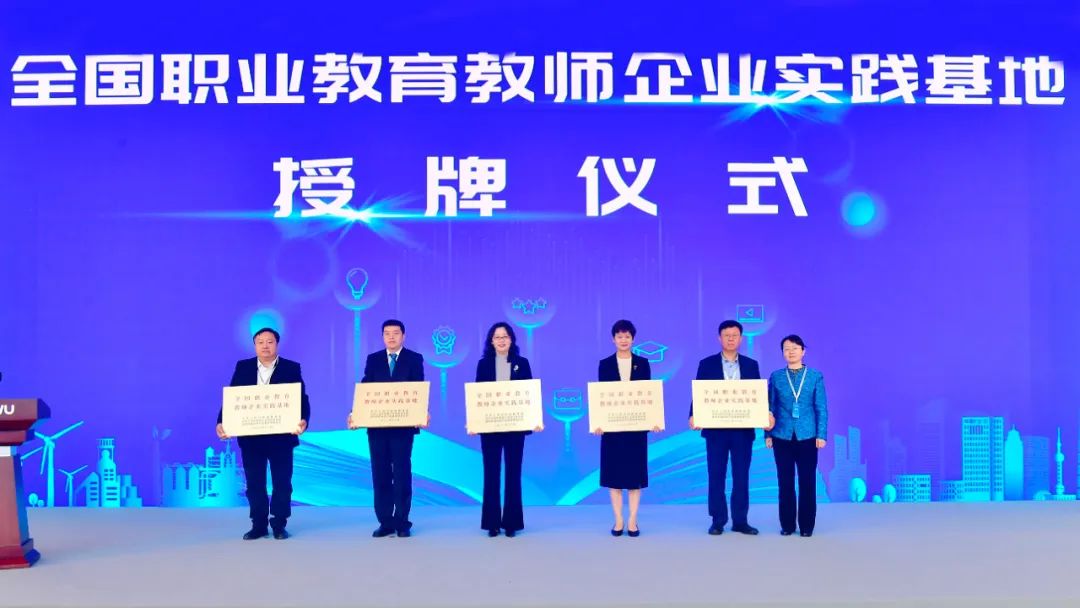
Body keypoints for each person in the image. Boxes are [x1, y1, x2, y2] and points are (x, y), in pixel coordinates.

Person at [216, 327, 310, 540]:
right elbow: (233, 398)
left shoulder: (291, 367)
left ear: (277, 344)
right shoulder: (243, 367)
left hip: (281, 438)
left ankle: (279, 524)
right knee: (254, 483)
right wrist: (222, 422)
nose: (265, 346)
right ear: (255, 345)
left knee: (282, 483)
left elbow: (301, 398)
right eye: (260, 342)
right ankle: (258, 525)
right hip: (252, 438)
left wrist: (303, 419)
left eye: (269, 342)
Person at [690, 320, 773, 536]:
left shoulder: (751, 364)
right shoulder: (706, 364)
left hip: (742, 431)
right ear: (719, 338)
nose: (730, 339)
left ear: (741, 338)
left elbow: (757, 395)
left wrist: (765, 414)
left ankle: (740, 521)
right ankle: (718, 520)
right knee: (716, 475)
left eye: (734, 335)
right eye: (726, 335)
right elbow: (699, 393)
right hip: (716, 430)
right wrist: (693, 415)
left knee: (741, 476)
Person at [348, 319, 428, 538]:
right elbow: (366, 388)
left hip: (403, 427)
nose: (391, 337)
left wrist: (422, 412)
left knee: (401, 474)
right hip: (378, 428)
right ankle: (385, 521)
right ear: (383, 336)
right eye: (387, 333)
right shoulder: (373, 359)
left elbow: (418, 389)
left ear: (403, 336)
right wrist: (355, 414)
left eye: (395, 333)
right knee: (380, 473)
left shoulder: (414, 359)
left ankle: (402, 522)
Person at [471, 322, 542, 537]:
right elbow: (478, 397)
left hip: (515, 428)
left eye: (505, 336)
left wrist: (535, 419)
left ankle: (511, 523)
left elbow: (529, 395)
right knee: (491, 474)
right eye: (497, 337)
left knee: (513, 473)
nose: (501, 340)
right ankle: (492, 523)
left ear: (511, 340)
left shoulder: (522, 363)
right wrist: (474, 422)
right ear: (491, 341)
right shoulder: (483, 364)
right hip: (490, 428)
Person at [593, 319, 656, 538]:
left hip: (636, 429)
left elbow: (648, 395)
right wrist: (599, 422)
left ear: (633, 339)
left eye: (627, 336)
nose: (623, 340)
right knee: (615, 476)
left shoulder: (643, 363)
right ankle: (619, 519)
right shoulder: (605, 364)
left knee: (635, 477)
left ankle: (632, 520)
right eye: (619, 336)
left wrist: (653, 419)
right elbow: (601, 397)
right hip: (612, 430)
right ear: (613, 339)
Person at [766, 334, 828, 537]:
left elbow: (821, 407)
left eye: (794, 348)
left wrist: (821, 434)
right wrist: (767, 434)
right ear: (782, 353)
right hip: (781, 436)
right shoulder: (776, 377)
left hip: (808, 436)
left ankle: (807, 526)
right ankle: (787, 525)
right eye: (786, 349)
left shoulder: (815, 376)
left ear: (803, 351)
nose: (790, 352)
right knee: (785, 482)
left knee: (807, 482)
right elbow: (769, 407)